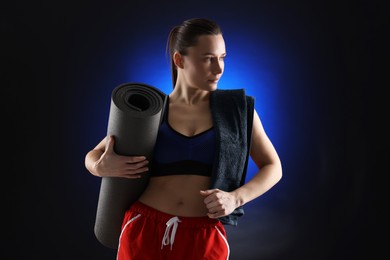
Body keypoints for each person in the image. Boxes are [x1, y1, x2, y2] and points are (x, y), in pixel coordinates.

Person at [85, 17, 282, 260]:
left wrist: (235, 198)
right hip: (144, 228)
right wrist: (99, 165)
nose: (218, 69)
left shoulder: (238, 111)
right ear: (179, 59)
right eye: (208, 59)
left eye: (222, 58)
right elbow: (93, 156)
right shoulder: (154, 109)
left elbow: (273, 167)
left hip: (203, 236)